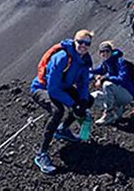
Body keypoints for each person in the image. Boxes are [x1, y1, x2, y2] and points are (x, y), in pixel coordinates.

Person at [30, 29, 94, 174]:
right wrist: (73, 104)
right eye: (80, 42)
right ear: (74, 41)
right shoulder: (62, 57)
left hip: (63, 87)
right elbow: (52, 89)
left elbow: (83, 84)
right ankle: (42, 153)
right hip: (42, 88)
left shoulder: (85, 60)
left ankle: (63, 129)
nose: (83, 46)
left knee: (88, 100)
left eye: (87, 43)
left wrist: (82, 101)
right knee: (57, 111)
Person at [90, 41, 134, 125]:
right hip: (118, 95)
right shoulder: (105, 63)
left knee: (107, 85)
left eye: (107, 51)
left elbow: (122, 79)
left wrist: (105, 78)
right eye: (102, 52)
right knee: (92, 97)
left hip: (127, 94)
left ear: (111, 51)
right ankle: (117, 109)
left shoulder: (119, 61)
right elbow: (95, 71)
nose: (105, 53)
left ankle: (108, 113)